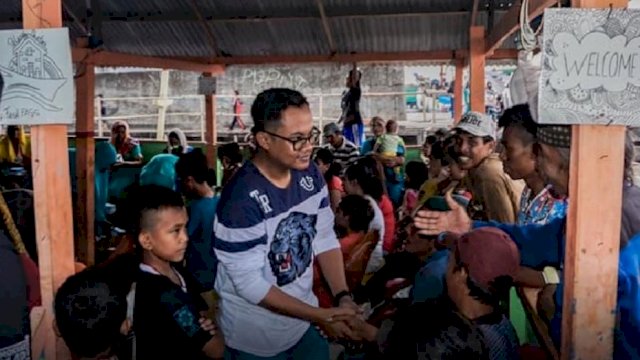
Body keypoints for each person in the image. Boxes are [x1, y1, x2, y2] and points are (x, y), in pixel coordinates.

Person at [414, 125, 640, 360]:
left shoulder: (605, 226)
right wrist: (471, 227)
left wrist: (552, 300)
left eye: (542, 154)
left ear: (570, 162)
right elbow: (534, 241)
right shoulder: (610, 205)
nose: (540, 166)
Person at [213, 88, 358, 359]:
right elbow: (250, 285)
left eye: (311, 135)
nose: (308, 147)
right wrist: (321, 316)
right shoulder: (240, 200)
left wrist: (342, 297)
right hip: (254, 337)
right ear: (264, 140)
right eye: (297, 139)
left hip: (302, 322)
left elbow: (324, 237)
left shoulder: (310, 175)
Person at [130, 185, 224, 359]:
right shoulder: (166, 295)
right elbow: (216, 349)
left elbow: (202, 312)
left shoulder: (178, 271)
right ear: (146, 240)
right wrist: (214, 328)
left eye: (185, 228)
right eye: (175, 230)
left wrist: (207, 321)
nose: (185, 237)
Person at [454, 112, 523, 222]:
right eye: (459, 141)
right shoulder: (475, 168)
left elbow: (503, 228)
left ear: (491, 146)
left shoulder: (488, 173)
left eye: (472, 142)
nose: (462, 148)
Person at [314, 194, 375, 308]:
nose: (334, 214)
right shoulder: (364, 237)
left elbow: (314, 276)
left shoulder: (340, 247)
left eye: (338, 211)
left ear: (346, 217)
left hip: (325, 296)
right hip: (348, 288)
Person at [176, 149, 220, 299]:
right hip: (219, 278)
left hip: (200, 279)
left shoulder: (196, 209)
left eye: (181, 180)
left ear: (189, 180)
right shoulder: (220, 201)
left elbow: (181, 241)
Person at [362, 117, 406, 207]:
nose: (376, 128)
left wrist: (396, 161)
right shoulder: (368, 143)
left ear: (385, 127)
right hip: (375, 181)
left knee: (395, 204)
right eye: (373, 126)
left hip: (393, 179)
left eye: (379, 125)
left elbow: (402, 158)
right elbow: (366, 159)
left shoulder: (394, 140)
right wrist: (381, 158)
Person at [340, 64, 365, 147]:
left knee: (355, 146)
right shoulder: (346, 94)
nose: (346, 80)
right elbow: (345, 110)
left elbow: (355, 78)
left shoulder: (356, 91)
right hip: (347, 125)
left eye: (349, 78)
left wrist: (354, 63)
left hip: (354, 124)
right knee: (347, 146)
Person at [314, 148, 344, 213]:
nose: (313, 166)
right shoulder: (317, 179)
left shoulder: (333, 182)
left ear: (327, 166)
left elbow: (335, 210)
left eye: (317, 163)